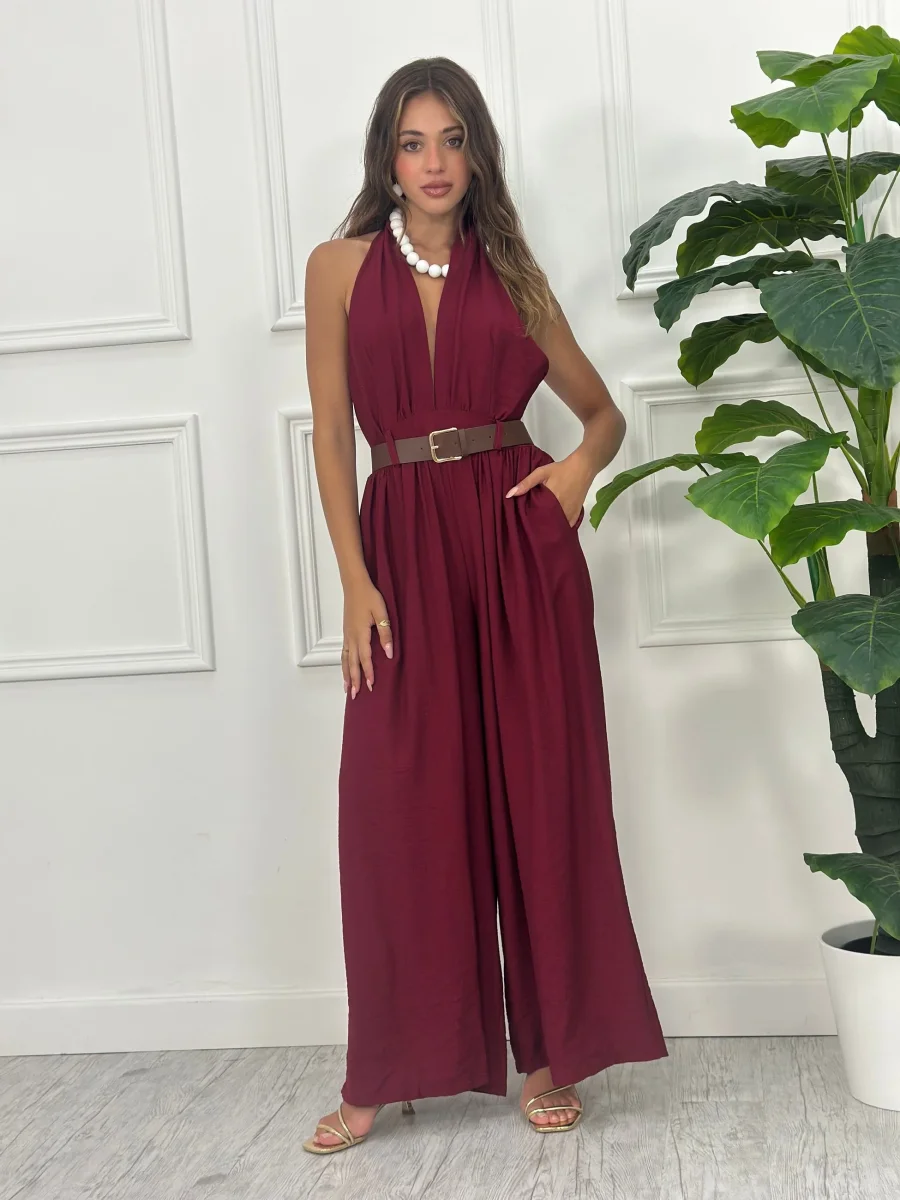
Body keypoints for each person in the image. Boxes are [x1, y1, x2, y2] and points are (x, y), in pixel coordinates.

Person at [302, 57, 668, 1156]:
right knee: (395, 809)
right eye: (414, 142)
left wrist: (574, 474)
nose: (434, 163)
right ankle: (385, 1068)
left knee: (535, 799)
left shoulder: (511, 273)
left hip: (513, 552)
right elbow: (332, 437)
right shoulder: (338, 268)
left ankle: (548, 1055)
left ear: (477, 155)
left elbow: (601, 416)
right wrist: (354, 579)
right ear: (387, 157)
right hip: (402, 551)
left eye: (453, 140)